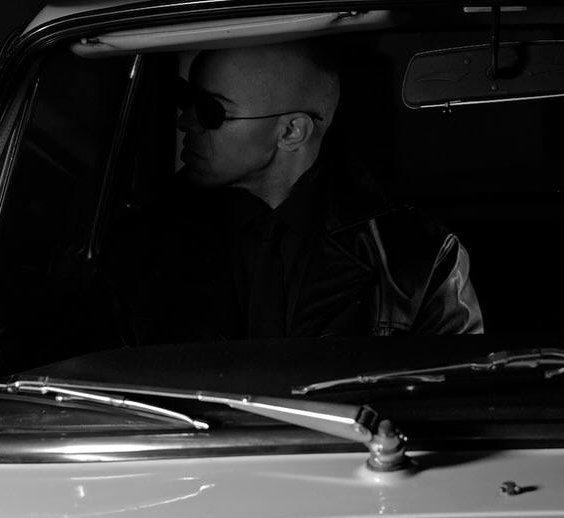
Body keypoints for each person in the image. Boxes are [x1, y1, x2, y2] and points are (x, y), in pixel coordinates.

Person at [116, 40, 482, 341]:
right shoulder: (138, 242)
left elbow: (450, 391)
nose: (186, 121)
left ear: (292, 132)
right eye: (186, 99)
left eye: (211, 112)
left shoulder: (420, 255)